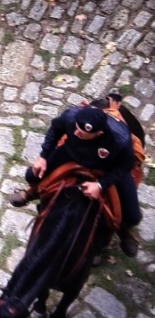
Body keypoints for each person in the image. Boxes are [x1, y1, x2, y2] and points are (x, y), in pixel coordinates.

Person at [10, 102, 142, 257]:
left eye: (82, 132)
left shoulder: (120, 139)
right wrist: (44, 156)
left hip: (107, 167)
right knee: (31, 175)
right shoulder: (72, 116)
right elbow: (55, 130)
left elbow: (125, 166)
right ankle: (30, 193)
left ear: (98, 133)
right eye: (76, 128)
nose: (76, 132)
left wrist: (100, 185)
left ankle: (123, 231)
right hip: (71, 155)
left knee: (133, 215)